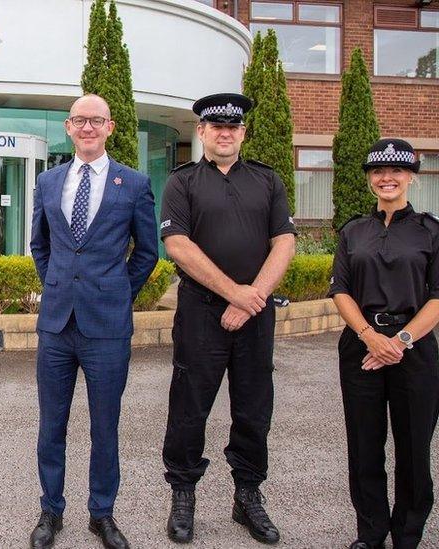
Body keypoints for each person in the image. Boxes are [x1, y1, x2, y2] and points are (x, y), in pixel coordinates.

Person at [159, 93, 296, 545]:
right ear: (201, 132)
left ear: (242, 132)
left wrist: (250, 298)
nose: (224, 133)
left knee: (254, 409)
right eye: (215, 126)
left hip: (254, 315)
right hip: (201, 313)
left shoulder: (267, 180)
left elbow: (285, 243)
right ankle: (183, 495)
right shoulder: (182, 183)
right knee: (189, 408)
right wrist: (232, 292)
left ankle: (248, 496)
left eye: (233, 127)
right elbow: (177, 245)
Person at [26, 94, 158, 549]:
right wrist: (59, 283)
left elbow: (147, 252)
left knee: (106, 425)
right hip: (57, 325)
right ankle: (51, 510)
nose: (87, 127)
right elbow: (39, 245)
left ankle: (102, 513)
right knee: (51, 425)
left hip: (107, 327)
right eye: (79, 120)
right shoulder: (48, 181)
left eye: (95, 120)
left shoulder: (134, 183)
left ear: (110, 127)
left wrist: (119, 292)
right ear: (68, 127)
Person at [328, 139, 439, 549]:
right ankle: (370, 532)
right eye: (378, 171)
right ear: (370, 179)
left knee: (413, 448)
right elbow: (340, 290)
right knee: (365, 445)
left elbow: (438, 296)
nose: (386, 178)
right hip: (362, 346)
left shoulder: (431, 231)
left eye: (395, 171)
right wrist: (371, 338)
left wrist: (401, 341)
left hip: (416, 348)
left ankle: (407, 534)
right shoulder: (353, 231)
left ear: (410, 176)